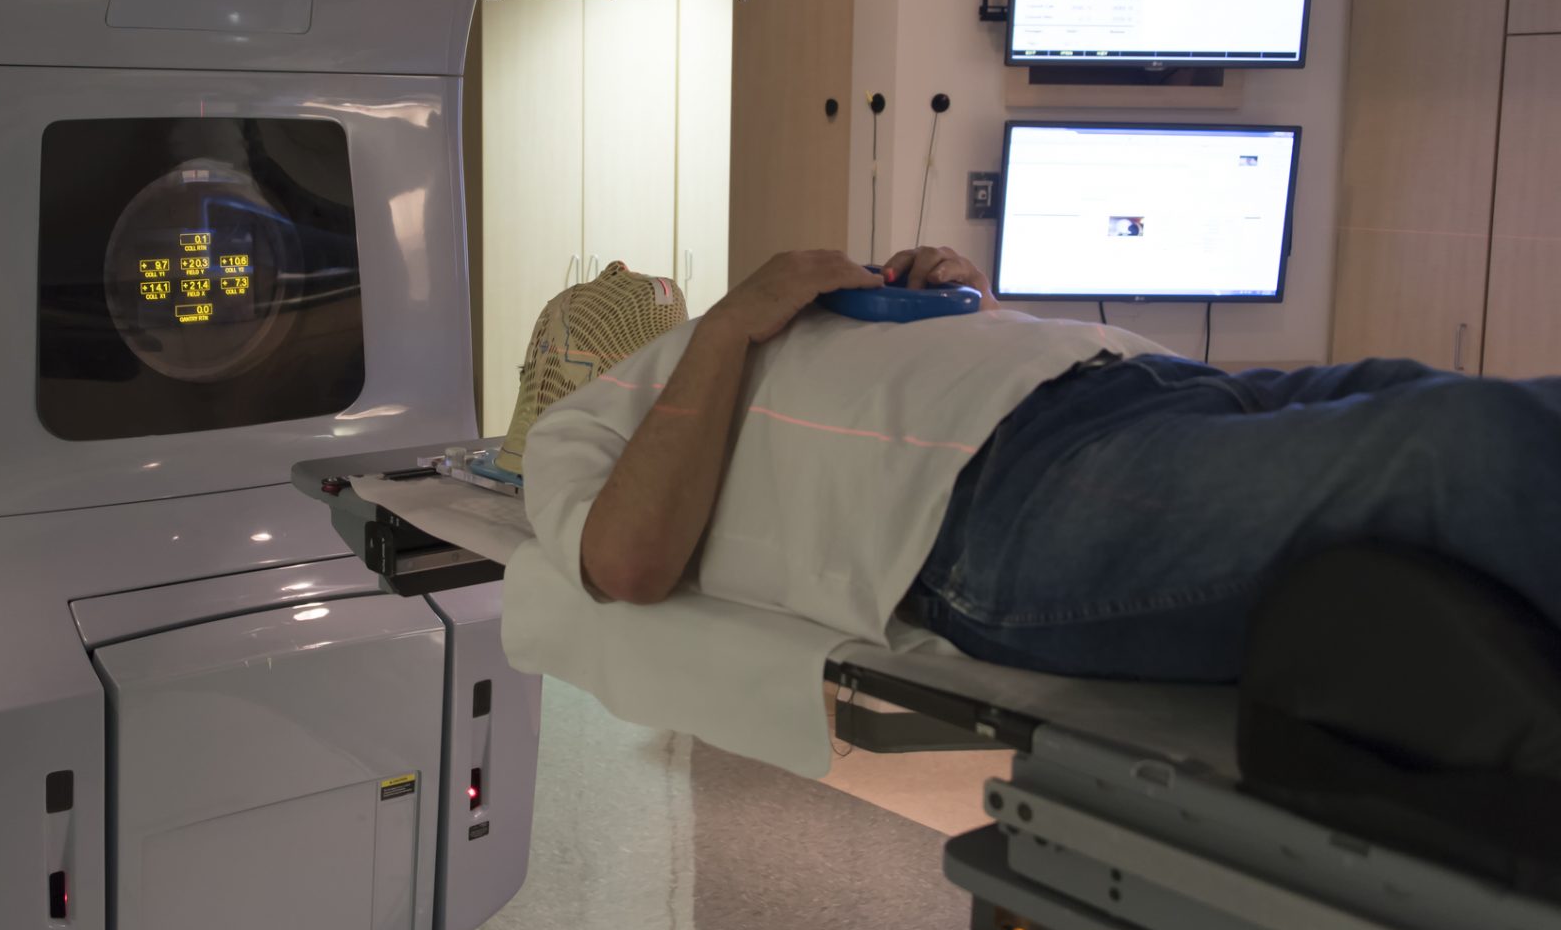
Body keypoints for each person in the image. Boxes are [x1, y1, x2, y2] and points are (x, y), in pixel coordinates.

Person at [522, 246, 1561, 683]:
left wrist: (954, 298)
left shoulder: (757, 340)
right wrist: (729, 323)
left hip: (1145, 383)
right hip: (1007, 505)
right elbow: (627, 562)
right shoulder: (590, 421)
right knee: (1464, 454)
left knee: (1458, 398)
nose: (660, 300)